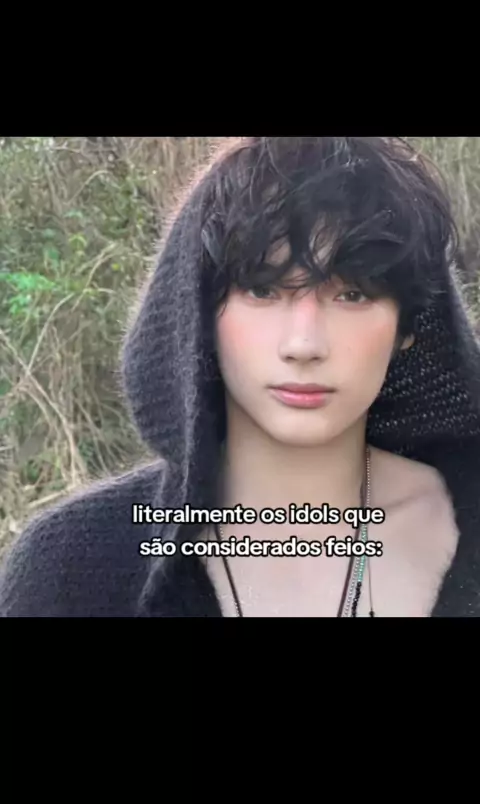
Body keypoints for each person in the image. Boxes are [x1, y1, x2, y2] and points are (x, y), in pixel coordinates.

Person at [1, 136, 480, 617]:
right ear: (200, 313)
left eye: (353, 295)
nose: (304, 345)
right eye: (262, 290)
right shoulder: (66, 572)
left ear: (407, 328)